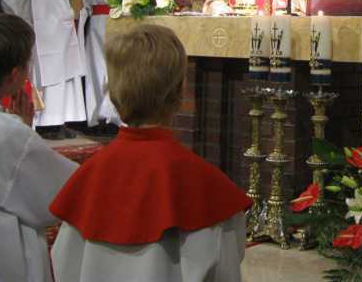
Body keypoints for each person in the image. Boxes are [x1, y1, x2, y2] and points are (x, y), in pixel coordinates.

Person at [50, 25, 252, 282]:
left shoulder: (89, 177)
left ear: (113, 92)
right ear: (180, 91)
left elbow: (63, 265)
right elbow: (225, 269)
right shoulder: (205, 184)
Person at [0, 13, 77, 282]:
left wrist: (21, 129)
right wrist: (24, 133)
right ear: (14, 75)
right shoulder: (7, 132)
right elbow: (62, 194)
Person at [30, 0, 87, 138]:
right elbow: (47, 14)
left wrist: (78, 9)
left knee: (67, 81)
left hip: (62, 39)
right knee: (53, 82)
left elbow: (72, 1)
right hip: (51, 41)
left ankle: (60, 121)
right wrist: (73, 11)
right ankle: (48, 125)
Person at [81, 0, 126, 128]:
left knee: (96, 67)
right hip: (116, 19)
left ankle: (95, 116)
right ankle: (112, 115)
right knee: (115, 66)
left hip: (96, 20)